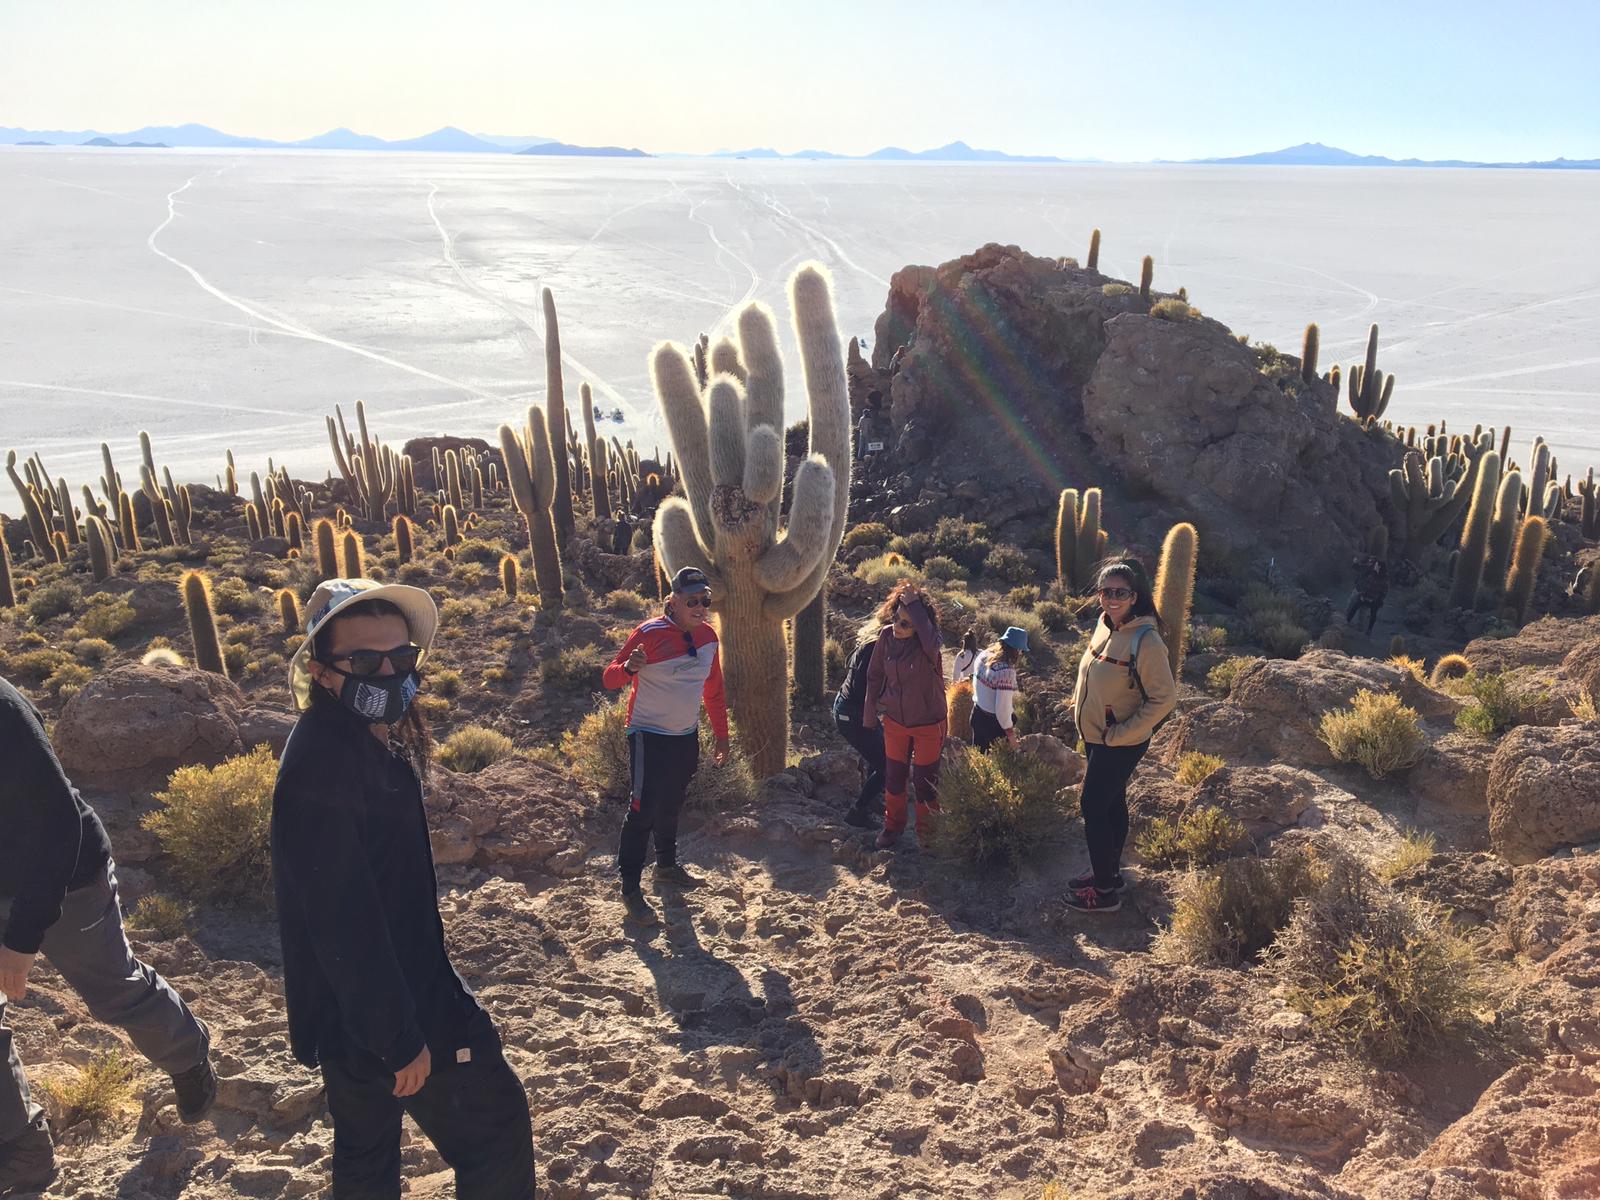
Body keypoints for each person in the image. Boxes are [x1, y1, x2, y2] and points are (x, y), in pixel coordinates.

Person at [272, 579, 535, 1200]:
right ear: (323, 672)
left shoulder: (353, 744)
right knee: (495, 1133)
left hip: (349, 1015)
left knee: (366, 1159)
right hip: (396, 1012)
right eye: (365, 661)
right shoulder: (326, 765)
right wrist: (400, 1039)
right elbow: (343, 920)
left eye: (401, 658)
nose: (389, 673)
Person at [0, 674, 216, 1195]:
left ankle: (187, 1054)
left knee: (112, 989)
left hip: (66, 877)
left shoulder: (1, 709)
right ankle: (23, 1148)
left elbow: (56, 825)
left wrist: (21, 940)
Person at [602, 566, 730, 927]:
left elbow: (714, 691)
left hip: (685, 735)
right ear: (673, 601)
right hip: (647, 734)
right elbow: (609, 677)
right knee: (642, 809)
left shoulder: (708, 638)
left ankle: (667, 867)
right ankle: (629, 887)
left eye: (706, 600)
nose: (701, 607)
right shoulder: (649, 633)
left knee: (672, 802)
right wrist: (628, 667)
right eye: (693, 600)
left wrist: (721, 736)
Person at [1066, 560, 1177, 914]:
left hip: (1120, 740)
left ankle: (1103, 893)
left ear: (1135, 597)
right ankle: (1110, 875)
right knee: (1112, 803)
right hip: (1098, 734)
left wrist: (1122, 733)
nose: (1112, 599)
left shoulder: (1147, 640)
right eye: (1105, 592)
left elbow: (1164, 699)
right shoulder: (1105, 626)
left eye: (1121, 593)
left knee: (1092, 805)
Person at [862, 582, 946, 849]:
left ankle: (928, 835)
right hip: (895, 721)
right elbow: (874, 676)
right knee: (894, 776)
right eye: (896, 618)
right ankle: (893, 826)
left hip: (928, 723)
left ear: (920, 624)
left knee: (925, 782)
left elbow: (932, 641)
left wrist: (916, 608)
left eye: (906, 624)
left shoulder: (928, 646)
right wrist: (869, 712)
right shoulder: (887, 637)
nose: (898, 626)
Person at [833, 617, 889, 829]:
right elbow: (861, 690)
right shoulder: (875, 648)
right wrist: (885, 702)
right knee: (887, 765)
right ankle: (858, 811)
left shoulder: (872, 643)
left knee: (879, 756)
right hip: (853, 714)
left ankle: (871, 798)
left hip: (849, 709)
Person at [971, 627, 1029, 752]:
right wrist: (1011, 737)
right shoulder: (1006, 672)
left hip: (977, 714)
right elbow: (1002, 710)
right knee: (1000, 766)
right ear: (1017, 650)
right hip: (993, 727)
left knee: (979, 762)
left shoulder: (984, 655)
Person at [1346, 553, 1388, 635]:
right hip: (1365, 595)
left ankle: (1363, 629)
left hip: (1372, 598)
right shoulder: (1374, 573)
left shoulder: (1377, 575)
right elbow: (1369, 586)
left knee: (1366, 612)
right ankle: (1348, 622)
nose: (1370, 562)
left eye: (1372, 562)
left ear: (1378, 566)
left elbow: (1381, 590)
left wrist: (1376, 599)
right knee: (1355, 607)